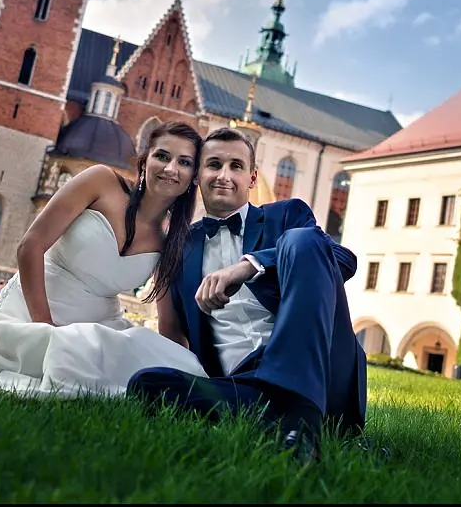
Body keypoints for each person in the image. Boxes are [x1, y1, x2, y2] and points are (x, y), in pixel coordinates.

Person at [0, 121, 211, 398]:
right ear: (144, 162)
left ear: (192, 178)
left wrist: (181, 361)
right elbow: (30, 246)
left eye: (184, 162)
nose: (171, 169)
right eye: (162, 156)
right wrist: (44, 327)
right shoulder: (101, 181)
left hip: (97, 323)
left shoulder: (173, 240)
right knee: (51, 360)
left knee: (153, 367)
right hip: (35, 304)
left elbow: (169, 323)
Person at [126, 127, 367, 463]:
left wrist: (251, 265)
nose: (224, 175)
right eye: (213, 165)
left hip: (323, 375)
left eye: (236, 166)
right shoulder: (178, 249)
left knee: (303, 241)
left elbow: (343, 259)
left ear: (252, 178)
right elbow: (173, 335)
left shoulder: (287, 216)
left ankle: (302, 418)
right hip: (242, 383)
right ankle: (282, 418)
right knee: (147, 383)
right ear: (197, 176)